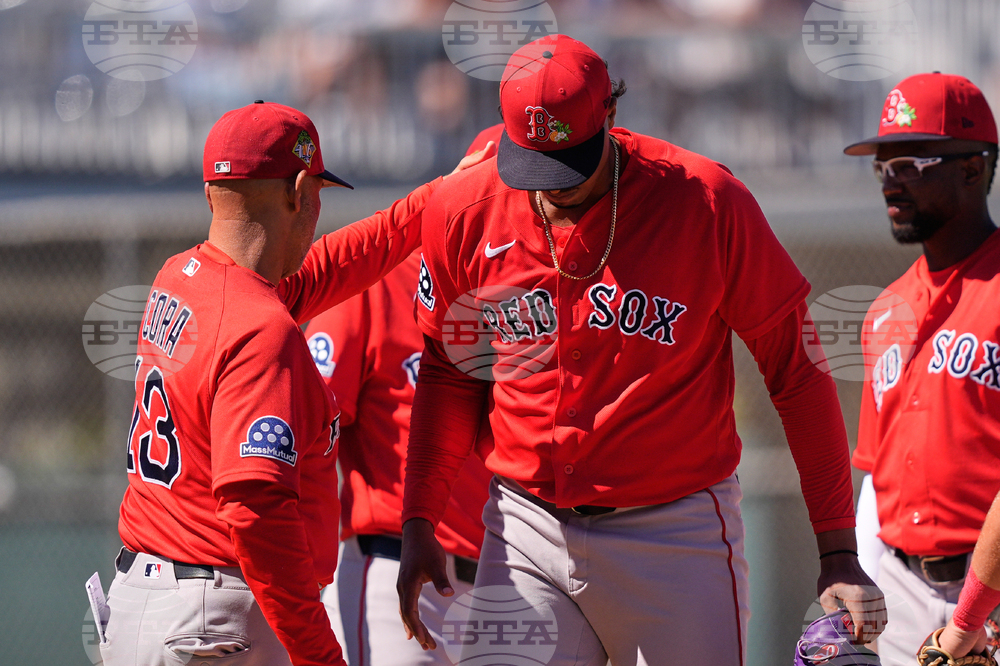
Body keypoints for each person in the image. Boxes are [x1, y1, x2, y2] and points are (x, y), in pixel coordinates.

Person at [397, 34, 886, 665]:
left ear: (610, 114)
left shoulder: (706, 201)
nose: (553, 188)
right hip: (523, 525)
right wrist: (420, 517)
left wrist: (837, 548)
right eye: (536, 165)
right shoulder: (466, 208)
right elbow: (449, 370)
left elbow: (797, 371)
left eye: (569, 162)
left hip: (674, 532)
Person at [94, 100, 488, 666]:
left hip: (148, 597)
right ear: (299, 192)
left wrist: (444, 193)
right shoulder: (260, 327)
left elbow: (343, 261)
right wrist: (319, 654)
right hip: (212, 619)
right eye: (319, 192)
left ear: (212, 192)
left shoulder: (182, 277)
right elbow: (257, 513)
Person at [302, 126, 502, 666]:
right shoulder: (375, 284)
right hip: (395, 572)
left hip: (509, 580)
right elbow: (303, 433)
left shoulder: (542, 297)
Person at [845, 72, 1000, 666]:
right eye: (883, 165)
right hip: (900, 585)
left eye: (911, 162)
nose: (891, 180)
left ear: (972, 168)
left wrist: (972, 615)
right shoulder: (886, 308)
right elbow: (877, 477)